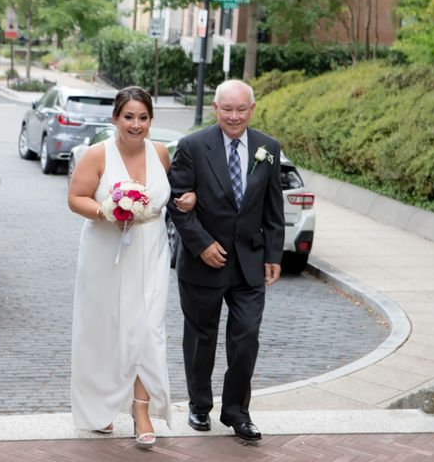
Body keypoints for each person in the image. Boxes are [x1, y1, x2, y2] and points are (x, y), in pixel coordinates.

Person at [68, 86, 194, 448]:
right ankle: (100, 407)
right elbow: (76, 198)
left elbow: (167, 199)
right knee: (104, 330)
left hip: (150, 247)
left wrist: (186, 202)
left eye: (143, 117)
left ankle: (142, 410)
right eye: (129, 117)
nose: (135, 124)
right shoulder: (98, 155)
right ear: (115, 118)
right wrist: (106, 210)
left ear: (151, 121)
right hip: (105, 250)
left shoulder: (159, 154)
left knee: (147, 329)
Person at [166, 79, 285, 441]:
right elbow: (176, 203)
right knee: (202, 338)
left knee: (246, 338)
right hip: (203, 263)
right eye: (227, 109)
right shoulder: (191, 147)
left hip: (249, 262)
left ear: (252, 109)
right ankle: (199, 406)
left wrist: (273, 253)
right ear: (216, 108)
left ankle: (237, 412)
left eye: (241, 109)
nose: (234, 116)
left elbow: (272, 206)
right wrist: (202, 245)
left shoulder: (268, 147)